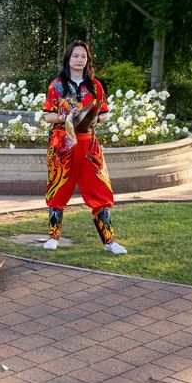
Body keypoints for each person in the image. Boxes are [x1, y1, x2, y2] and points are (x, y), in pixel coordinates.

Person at [41, 40, 127, 255]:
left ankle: (109, 241)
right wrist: (66, 116)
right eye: (75, 56)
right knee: (58, 189)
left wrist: (95, 118)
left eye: (83, 56)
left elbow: (105, 113)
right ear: (68, 58)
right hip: (63, 144)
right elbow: (47, 116)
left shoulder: (95, 86)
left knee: (100, 191)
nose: (79, 60)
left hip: (89, 145)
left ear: (87, 60)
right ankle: (53, 237)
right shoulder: (56, 85)